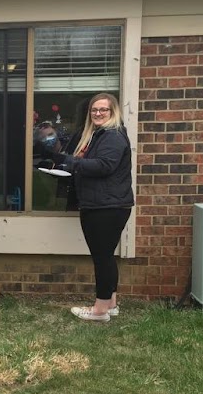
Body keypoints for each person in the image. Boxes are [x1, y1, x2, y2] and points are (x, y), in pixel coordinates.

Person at [40, 92, 134, 322]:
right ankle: (110, 303)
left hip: (107, 205)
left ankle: (99, 310)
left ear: (113, 113)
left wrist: (70, 162)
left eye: (104, 110)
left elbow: (103, 166)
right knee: (105, 256)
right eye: (95, 110)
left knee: (102, 257)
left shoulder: (112, 136)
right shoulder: (98, 135)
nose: (98, 113)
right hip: (104, 203)